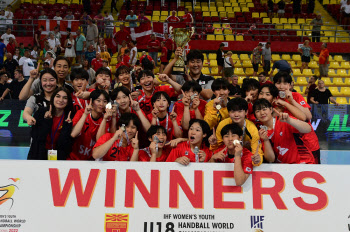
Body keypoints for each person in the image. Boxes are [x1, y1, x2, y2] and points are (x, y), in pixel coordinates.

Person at [254, 98, 315, 164]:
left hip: (304, 163)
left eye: (264, 109)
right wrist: (265, 140)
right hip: (284, 168)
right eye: (258, 111)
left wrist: (289, 120)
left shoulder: (283, 120)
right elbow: (270, 159)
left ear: (271, 110)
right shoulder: (260, 132)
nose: (262, 113)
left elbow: (308, 129)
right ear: (255, 116)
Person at [209, 97, 264, 166]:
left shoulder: (252, 130)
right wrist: (213, 144)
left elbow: (257, 152)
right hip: (226, 160)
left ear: (246, 112)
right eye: (233, 111)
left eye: (240, 111)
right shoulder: (222, 125)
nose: (236, 115)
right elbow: (217, 148)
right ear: (228, 112)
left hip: (245, 159)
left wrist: (257, 160)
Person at [27, 87, 73, 160]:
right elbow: (36, 136)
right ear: (53, 98)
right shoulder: (41, 112)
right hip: (38, 155)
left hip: (59, 157)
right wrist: (46, 120)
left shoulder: (69, 117)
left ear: (68, 101)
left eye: (65, 98)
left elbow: (65, 144)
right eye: (58, 96)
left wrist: (68, 126)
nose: (61, 100)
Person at [69, 89, 112, 160]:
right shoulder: (81, 113)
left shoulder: (106, 119)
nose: (101, 104)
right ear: (91, 102)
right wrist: (85, 114)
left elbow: (100, 141)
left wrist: (104, 119)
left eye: (104, 101)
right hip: (74, 158)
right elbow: (73, 134)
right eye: (98, 101)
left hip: (91, 161)